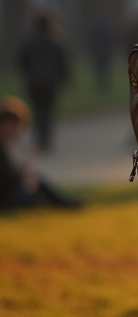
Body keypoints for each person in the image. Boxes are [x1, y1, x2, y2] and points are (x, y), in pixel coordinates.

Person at [0, 96, 83, 210]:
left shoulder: (4, 145)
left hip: (8, 193)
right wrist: (22, 175)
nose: (17, 131)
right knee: (36, 188)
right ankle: (67, 204)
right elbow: (5, 179)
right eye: (15, 127)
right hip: (5, 197)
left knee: (36, 186)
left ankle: (66, 203)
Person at [17, 12, 70, 152]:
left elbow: (21, 61)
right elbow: (62, 63)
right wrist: (64, 80)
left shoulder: (29, 42)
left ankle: (39, 136)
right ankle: (45, 138)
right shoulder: (55, 42)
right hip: (50, 82)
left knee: (37, 109)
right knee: (47, 110)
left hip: (34, 81)